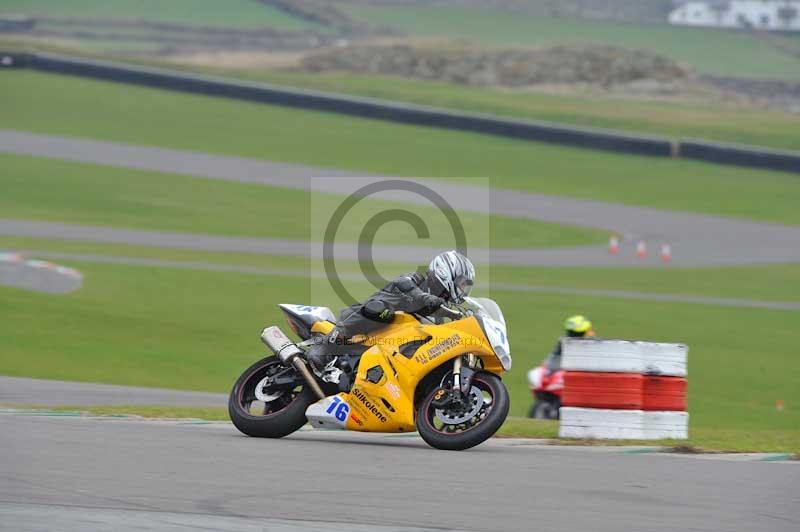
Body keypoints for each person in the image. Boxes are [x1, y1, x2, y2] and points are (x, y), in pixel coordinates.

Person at [307, 250, 476, 388]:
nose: (463, 289)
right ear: (445, 272)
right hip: (364, 324)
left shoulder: (436, 310)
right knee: (382, 310)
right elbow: (405, 285)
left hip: (388, 347)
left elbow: (441, 319)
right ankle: (325, 346)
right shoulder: (415, 280)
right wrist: (425, 298)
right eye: (462, 283)